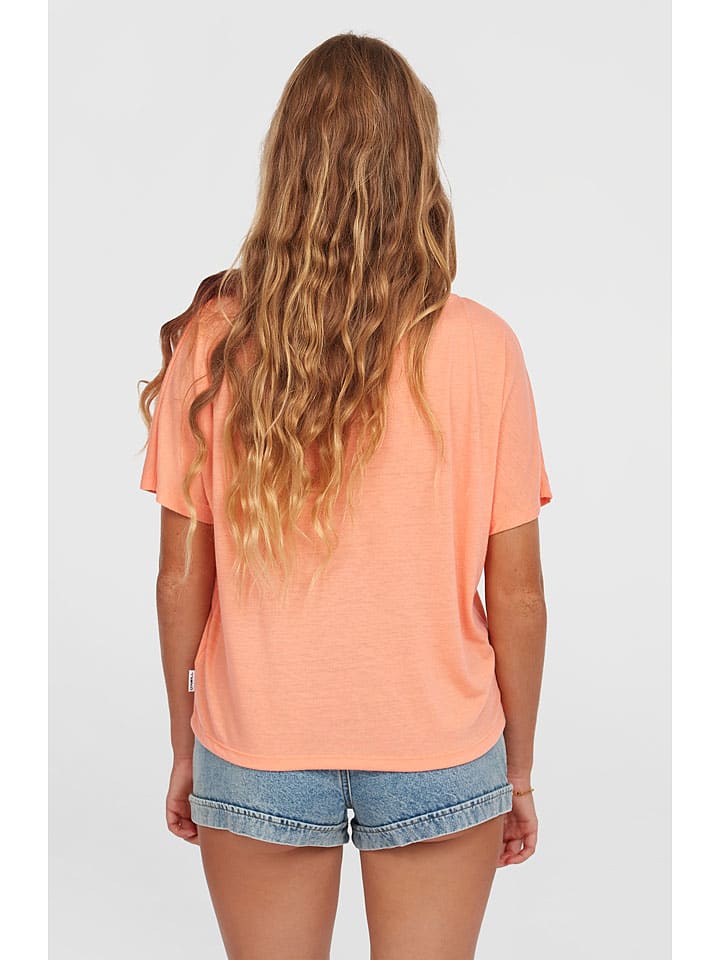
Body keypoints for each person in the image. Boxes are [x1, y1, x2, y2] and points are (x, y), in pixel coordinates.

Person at [138, 31, 553, 960]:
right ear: (418, 168)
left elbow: (178, 582)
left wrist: (184, 743)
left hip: (256, 740)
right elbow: (519, 594)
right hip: (442, 742)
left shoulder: (216, 343)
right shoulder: (484, 347)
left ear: (286, 167)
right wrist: (518, 769)